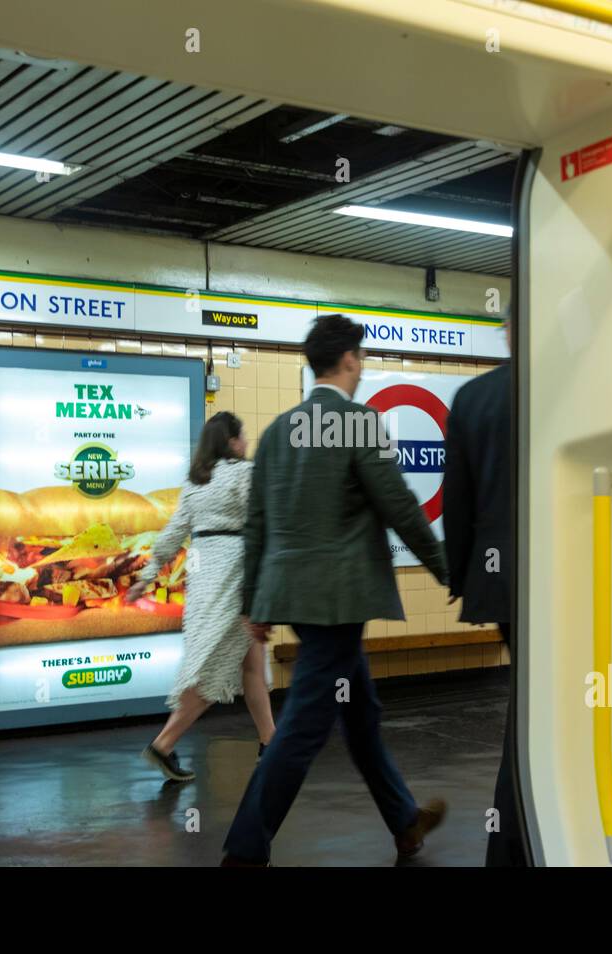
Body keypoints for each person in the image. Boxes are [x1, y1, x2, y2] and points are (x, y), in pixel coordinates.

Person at [221, 314, 451, 866]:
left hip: (296, 597)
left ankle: (404, 822)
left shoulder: (278, 430)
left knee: (359, 712)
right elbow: (399, 505)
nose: (363, 364)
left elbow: (257, 523)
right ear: (349, 357)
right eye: (362, 356)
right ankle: (244, 849)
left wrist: (254, 600)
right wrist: (446, 567)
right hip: (340, 600)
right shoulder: (357, 424)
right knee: (302, 727)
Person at [131, 411, 276, 782]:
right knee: (212, 670)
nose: (246, 443)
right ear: (232, 441)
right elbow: (261, 520)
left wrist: (146, 577)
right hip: (233, 575)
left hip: (202, 576)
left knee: (251, 665)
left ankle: (270, 742)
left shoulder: (194, 484)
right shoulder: (243, 472)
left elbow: (171, 535)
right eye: (242, 436)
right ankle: (163, 744)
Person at [442, 341, 526, 866]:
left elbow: (457, 499)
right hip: (573, 575)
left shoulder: (474, 396)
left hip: (501, 582)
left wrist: (461, 575)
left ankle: (510, 847)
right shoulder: (575, 388)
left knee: (530, 706)